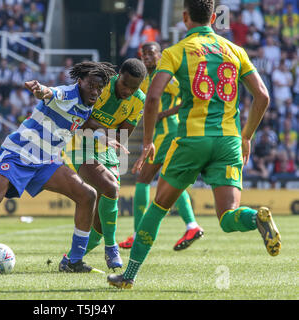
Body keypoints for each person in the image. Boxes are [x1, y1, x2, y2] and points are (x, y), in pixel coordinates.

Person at [108, 0, 281, 289]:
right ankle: (256, 217)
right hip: (228, 141)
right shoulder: (235, 50)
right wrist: (247, 135)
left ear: (185, 17)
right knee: (228, 217)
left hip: (191, 140)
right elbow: (262, 96)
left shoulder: (176, 52)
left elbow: (152, 98)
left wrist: (149, 141)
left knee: (158, 207)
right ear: (214, 17)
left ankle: (129, 276)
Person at [0, 61, 117, 274]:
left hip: (46, 161)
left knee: (88, 195)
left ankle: (74, 261)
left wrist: (103, 136)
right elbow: (50, 93)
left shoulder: (87, 102)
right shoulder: (67, 93)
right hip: (18, 153)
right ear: (80, 81)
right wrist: (40, 89)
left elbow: (82, 121)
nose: (95, 91)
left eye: (99, 88)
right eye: (91, 85)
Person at [59, 58, 147, 271]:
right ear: (119, 76)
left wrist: (101, 130)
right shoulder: (101, 85)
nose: (128, 90)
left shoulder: (138, 99)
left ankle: (70, 261)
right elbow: (81, 120)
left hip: (107, 151)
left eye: (134, 87)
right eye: (125, 84)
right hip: (79, 145)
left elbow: (123, 135)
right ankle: (112, 246)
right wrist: (106, 131)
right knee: (111, 187)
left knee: (98, 226)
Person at [118, 42, 204, 252]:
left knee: (143, 179)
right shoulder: (145, 79)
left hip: (167, 132)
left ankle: (139, 233)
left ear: (160, 55)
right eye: (143, 53)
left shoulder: (166, 77)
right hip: (161, 133)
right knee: (171, 179)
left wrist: (161, 114)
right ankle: (191, 225)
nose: (146, 56)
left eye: (151, 53)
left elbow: (188, 99)